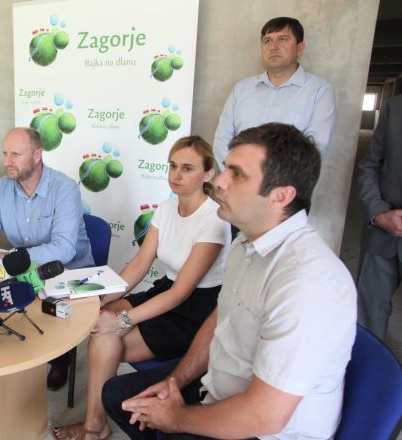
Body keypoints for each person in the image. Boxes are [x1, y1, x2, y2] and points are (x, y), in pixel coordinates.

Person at [102, 123, 356, 440]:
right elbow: (220, 319)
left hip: (262, 431)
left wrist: (176, 418)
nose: (220, 181)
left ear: (281, 196)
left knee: (157, 419)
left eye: (237, 174)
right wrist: (175, 380)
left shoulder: (308, 283)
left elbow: (264, 417)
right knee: (116, 397)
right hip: (217, 387)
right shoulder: (244, 243)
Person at [53, 137, 231, 440]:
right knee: (101, 320)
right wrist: (99, 298)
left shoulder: (214, 219)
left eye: (187, 168)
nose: (176, 175)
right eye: (173, 166)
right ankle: (96, 424)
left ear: (208, 173)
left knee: (109, 331)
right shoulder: (166, 208)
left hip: (195, 311)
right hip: (164, 291)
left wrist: (122, 320)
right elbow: (139, 264)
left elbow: (181, 293)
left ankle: (94, 427)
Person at [0, 127, 94, 389]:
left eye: (15, 154)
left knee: (45, 313)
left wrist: (3, 257)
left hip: (66, 271)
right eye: (5, 153)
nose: (7, 161)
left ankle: (60, 360)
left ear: (37, 155)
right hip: (22, 268)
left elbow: (64, 249)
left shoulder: (64, 189)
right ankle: (15, 359)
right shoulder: (3, 187)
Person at [213, 17, 336, 168]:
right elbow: (222, 140)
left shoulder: (319, 90)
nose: (273, 47)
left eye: (283, 39)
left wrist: (272, 180)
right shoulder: (241, 89)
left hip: (285, 181)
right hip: (236, 179)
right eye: (267, 41)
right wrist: (236, 176)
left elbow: (316, 147)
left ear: (300, 48)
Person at [356, 94, 402, 340]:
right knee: (367, 320)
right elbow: (369, 165)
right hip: (383, 233)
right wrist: (379, 213)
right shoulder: (396, 107)